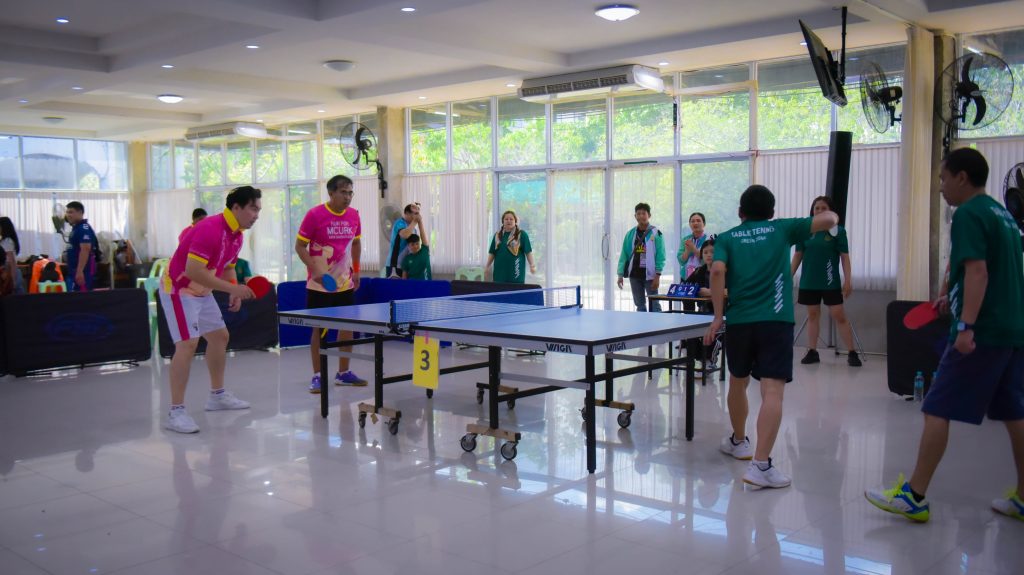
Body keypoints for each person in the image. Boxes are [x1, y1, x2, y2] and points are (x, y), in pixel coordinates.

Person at [866, 148, 1024, 523]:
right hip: (1011, 330)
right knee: (1015, 412)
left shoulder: (968, 213)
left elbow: (978, 272)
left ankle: (914, 496)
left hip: (982, 333)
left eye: (943, 178)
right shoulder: (1002, 215)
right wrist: (951, 300)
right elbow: (995, 274)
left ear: (962, 177)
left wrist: (966, 326)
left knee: (936, 407)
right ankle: (1023, 497)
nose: (940, 187)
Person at [705, 184, 838, 488]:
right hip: (775, 321)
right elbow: (830, 219)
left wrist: (717, 317)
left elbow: (717, 272)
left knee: (737, 380)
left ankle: (739, 441)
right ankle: (761, 465)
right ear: (772, 211)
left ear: (740, 212)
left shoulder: (726, 238)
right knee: (772, 391)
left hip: (739, 321)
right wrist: (830, 214)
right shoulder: (783, 229)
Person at [159, 186, 261, 434]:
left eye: (258, 210)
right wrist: (232, 288)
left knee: (219, 337)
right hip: (179, 289)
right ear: (236, 207)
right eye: (253, 209)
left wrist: (232, 289)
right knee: (187, 344)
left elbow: (228, 267)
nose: (256, 215)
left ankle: (217, 396)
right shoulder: (210, 228)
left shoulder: (237, 235)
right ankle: (176, 412)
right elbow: (193, 270)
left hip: (202, 292)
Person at [295, 175, 366, 393]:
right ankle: (318, 375)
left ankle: (343, 373)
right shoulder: (314, 215)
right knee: (319, 330)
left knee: (347, 327)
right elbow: (300, 246)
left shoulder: (354, 215)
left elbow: (356, 243)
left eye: (350, 192)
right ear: (331, 193)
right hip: (320, 285)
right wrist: (315, 269)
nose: (348, 197)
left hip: (344, 283)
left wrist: (356, 270)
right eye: (343, 192)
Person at [791, 196, 861, 367]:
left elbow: (844, 257)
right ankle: (812, 351)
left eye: (824, 208)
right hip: (809, 282)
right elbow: (798, 255)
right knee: (813, 315)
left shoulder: (838, 231)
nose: (820, 211)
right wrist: (788, 276)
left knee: (838, 315)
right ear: (812, 211)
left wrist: (848, 280)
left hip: (830, 282)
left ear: (830, 211)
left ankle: (852, 353)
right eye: (817, 208)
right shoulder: (804, 231)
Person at [617, 202, 665, 312]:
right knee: (639, 305)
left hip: (650, 275)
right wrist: (620, 274)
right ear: (635, 216)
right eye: (638, 214)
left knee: (655, 304)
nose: (641, 216)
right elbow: (624, 254)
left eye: (644, 213)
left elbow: (661, 255)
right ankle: (642, 323)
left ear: (649, 215)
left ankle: (658, 323)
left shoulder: (656, 233)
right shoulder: (630, 234)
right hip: (634, 274)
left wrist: (657, 275)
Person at [485, 210, 536, 283]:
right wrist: (487, 266)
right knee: (499, 288)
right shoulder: (497, 235)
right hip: (500, 272)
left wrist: (532, 265)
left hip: (516, 272)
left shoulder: (522, 234)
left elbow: (528, 252)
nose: (509, 221)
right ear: (503, 221)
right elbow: (492, 252)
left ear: (515, 221)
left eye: (511, 219)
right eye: (506, 219)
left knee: (516, 289)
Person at [64, 201, 97, 292]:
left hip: (84, 271)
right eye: (67, 212)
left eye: (71, 212)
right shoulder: (76, 228)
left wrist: (80, 271)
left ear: (80, 213)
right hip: (74, 270)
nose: (68, 215)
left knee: (82, 297)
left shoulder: (83, 228)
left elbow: (85, 249)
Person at [387, 203, 424, 278]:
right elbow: (404, 235)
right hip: (395, 265)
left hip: (407, 266)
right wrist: (415, 221)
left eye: (418, 214)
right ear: (407, 213)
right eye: (415, 213)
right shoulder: (399, 223)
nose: (417, 216)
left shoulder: (413, 229)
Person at [678, 212, 710, 279]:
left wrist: (694, 249)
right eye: (692, 221)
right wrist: (687, 251)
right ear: (690, 224)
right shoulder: (685, 239)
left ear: (704, 224)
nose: (695, 223)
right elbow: (681, 262)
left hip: (703, 277)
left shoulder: (709, 240)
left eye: (698, 221)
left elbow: (707, 261)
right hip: (686, 277)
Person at [0, 217, 24, 294]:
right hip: (11, 272)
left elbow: (11, 261)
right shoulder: (7, 241)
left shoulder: (6, 241)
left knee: (15, 296)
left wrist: (12, 279)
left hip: (10, 273)